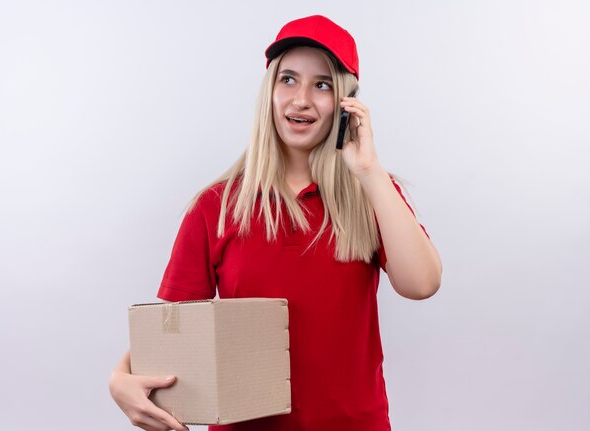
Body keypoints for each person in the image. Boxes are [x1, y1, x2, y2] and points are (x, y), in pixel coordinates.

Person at [109, 14, 442, 431]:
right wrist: (120, 377)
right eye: (288, 79)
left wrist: (370, 171)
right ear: (269, 91)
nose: (301, 99)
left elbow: (422, 284)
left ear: (346, 103)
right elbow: (176, 334)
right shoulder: (216, 206)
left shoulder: (373, 194)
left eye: (322, 84)